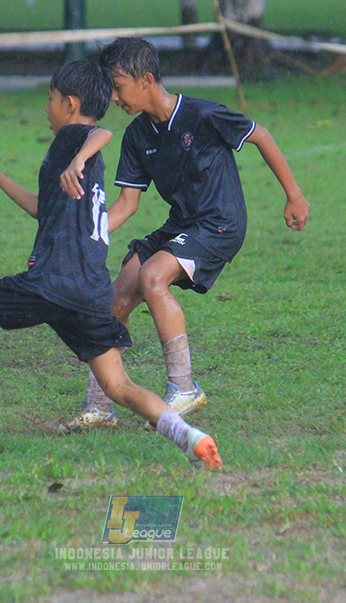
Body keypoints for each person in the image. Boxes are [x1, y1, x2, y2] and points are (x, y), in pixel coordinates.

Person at [0, 61, 223, 471]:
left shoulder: (72, 138)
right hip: (91, 292)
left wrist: (80, 155)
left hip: (50, 282)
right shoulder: (74, 161)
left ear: (70, 103)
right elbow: (45, 210)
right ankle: (192, 438)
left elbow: (102, 132)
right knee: (118, 386)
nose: (46, 108)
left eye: (50, 99)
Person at [58, 37, 310, 433]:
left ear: (146, 80)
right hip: (183, 225)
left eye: (119, 86)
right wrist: (84, 234)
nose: (114, 97)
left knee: (153, 276)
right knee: (117, 295)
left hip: (220, 223)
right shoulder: (138, 137)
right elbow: (127, 205)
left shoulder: (203, 115)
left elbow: (261, 136)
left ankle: (184, 387)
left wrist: (294, 197)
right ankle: (99, 405)